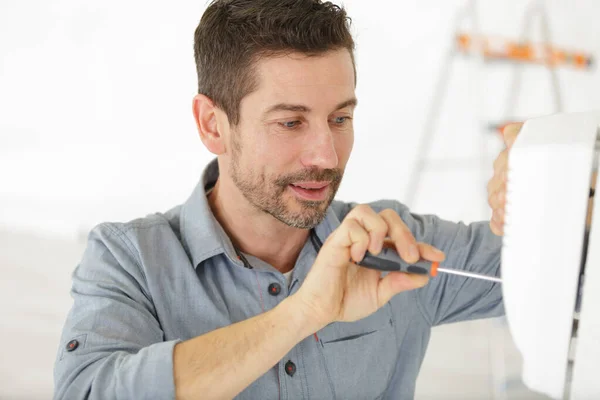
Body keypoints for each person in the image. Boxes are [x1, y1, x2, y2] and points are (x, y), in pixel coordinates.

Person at [53, 1, 521, 399]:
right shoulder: (130, 260)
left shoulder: (393, 248)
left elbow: (572, 277)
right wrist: (303, 314)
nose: (326, 155)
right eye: (291, 122)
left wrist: (569, 190)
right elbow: (88, 390)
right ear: (213, 125)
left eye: (340, 119)